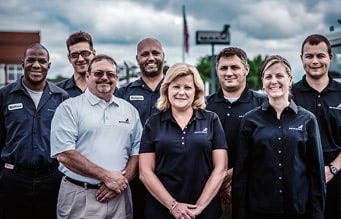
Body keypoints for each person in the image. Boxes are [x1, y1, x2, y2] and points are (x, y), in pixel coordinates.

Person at [232, 55, 325, 219]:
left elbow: (316, 175)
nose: (273, 81)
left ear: (290, 80)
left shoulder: (308, 119)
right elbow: (241, 174)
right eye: (268, 76)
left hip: (299, 211)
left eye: (279, 75)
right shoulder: (250, 120)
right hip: (259, 212)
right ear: (263, 82)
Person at [50, 54, 143, 219]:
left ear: (116, 78)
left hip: (119, 196)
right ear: (87, 76)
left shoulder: (130, 110)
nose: (105, 78)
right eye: (98, 73)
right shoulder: (69, 108)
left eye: (111, 74)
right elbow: (64, 154)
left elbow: (137, 153)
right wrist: (107, 177)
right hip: (80, 195)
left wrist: (118, 184)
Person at [139, 63, 228, 219]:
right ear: (167, 89)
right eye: (176, 87)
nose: (181, 92)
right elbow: (145, 172)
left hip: (203, 211)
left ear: (196, 92)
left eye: (187, 87)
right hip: (162, 210)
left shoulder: (211, 120)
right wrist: (173, 206)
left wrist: (199, 206)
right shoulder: (153, 123)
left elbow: (220, 168)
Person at [0, 43, 69, 218]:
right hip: (13, 179)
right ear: (22, 63)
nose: (36, 65)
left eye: (41, 61)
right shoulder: (5, 95)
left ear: (49, 65)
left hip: (52, 179)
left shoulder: (61, 97)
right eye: (31, 60)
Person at [206, 47, 265, 219]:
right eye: (223, 68)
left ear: (246, 69)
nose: (229, 73)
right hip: (211, 191)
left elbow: (268, 149)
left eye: (235, 67)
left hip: (251, 190)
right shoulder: (204, 106)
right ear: (217, 70)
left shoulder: (263, 105)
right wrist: (219, 180)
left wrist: (233, 175)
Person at [292, 34, 341, 219]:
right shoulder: (290, 95)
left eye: (320, 56)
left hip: (337, 177)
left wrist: (332, 169)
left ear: (330, 57)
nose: (315, 61)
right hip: (300, 179)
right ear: (301, 59)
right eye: (309, 56)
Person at [115, 37, 165, 218]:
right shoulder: (124, 93)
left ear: (163, 56)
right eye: (145, 54)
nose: (150, 58)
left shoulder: (174, 89)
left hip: (167, 170)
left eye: (155, 53)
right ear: (137, 59)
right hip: (133, 173)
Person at [56, 31, 96, 97]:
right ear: (69, 58)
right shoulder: (57, 91)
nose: (80, 59)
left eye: (85, 53)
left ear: (94, 54)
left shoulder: (107, 89)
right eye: (74, 55)